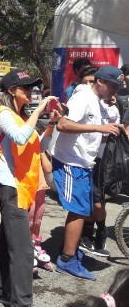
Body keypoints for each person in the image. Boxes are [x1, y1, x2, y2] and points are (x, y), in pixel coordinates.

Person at [0, 70, 55, 306]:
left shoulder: (21, 116)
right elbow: (20, 138)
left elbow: (38, 146)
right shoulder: (3, 113)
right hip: (10, 187)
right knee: (23, 250)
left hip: (20, 186)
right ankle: (22, 302)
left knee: (6, 243)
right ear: (12, 90)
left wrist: (52, 123)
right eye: (26, 87)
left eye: (32, 87)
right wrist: (39, 110)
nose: (31, 91)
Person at [53, 65, 123, 281]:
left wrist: (109, 130)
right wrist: (99, 128)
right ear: (100, 81)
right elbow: (62, 124)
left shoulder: (97, 100)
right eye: (113, 86)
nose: (115, 91)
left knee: (83, 210)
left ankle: (72, 251)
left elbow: (92, 133)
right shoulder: (83, 97)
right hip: (70, 161)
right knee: (78, 211)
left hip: (84, 162)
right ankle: (67, 259)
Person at [79, 93, 121, 258]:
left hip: (103, 160)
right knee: (89, 199)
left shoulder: (112, 108)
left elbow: (114, 132)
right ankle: (87, 234)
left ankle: (101, 231)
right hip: (85, 158)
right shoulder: (85, 99)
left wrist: (111, 105)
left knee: (97, 202)